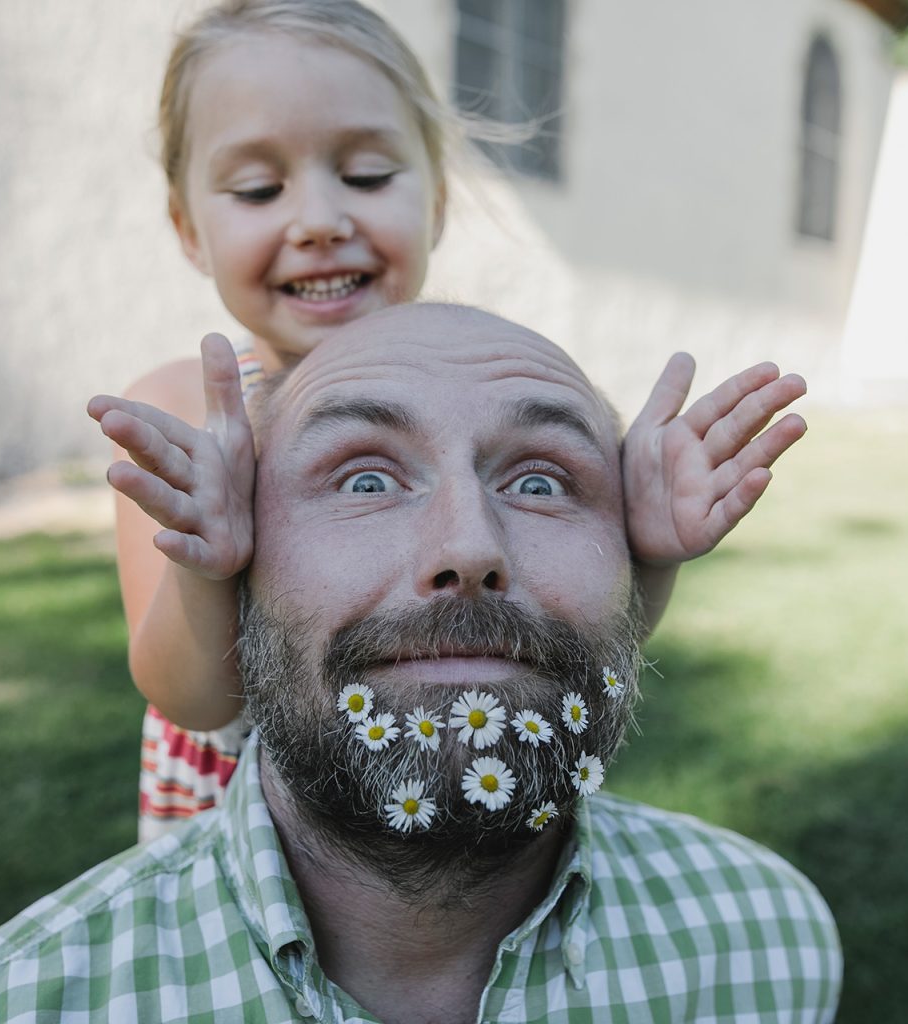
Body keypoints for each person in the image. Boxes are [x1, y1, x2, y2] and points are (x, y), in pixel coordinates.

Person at [0, 304, 841, 1023]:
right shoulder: (14, 1003)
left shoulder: (771, 945)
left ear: (631, 565)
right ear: (239, 564)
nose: (467, 547)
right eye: (365, 479)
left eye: (540, 482)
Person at [87, 0, 808, 841]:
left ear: (434, 200)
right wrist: (208, 567)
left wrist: (647, 554)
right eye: (258, 188)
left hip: (450, 787)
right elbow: (189, 695)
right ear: (188, 229)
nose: (319, 221)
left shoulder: (491, 393)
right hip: (250, 825)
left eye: (366, 176)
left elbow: (566, 643)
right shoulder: (184, 413)